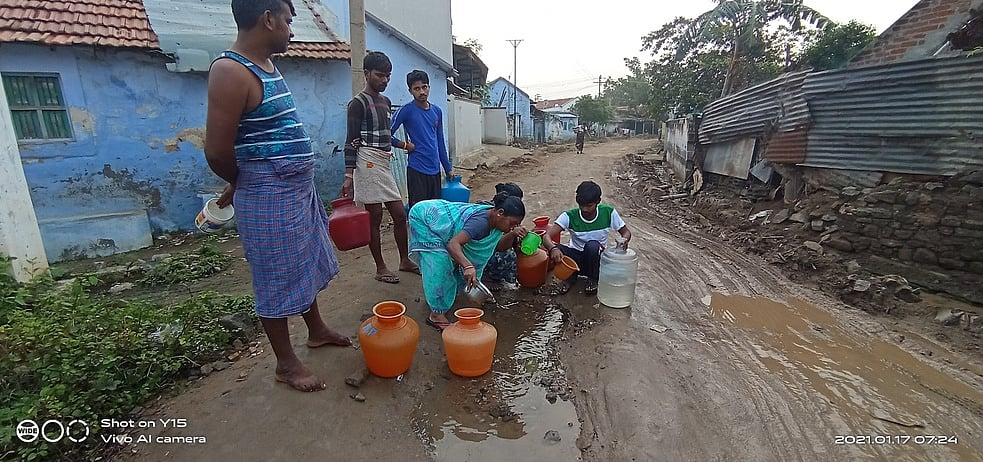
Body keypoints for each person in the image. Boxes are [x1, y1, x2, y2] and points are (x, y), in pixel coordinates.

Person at [204, 0, 351, 392]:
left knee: (305, 260)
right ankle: (286, 364)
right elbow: (216, 151)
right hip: (268, 192)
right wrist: (243, 182)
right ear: (267, 19)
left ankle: (316, 329)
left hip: (295, 189)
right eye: (288, 20)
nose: (291, 28)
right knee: (276, 276)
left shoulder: (266, 66)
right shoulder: (230, 72)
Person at [341, 51, 419, 284]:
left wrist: (403, 144)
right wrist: (348, 175)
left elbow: (387, 135)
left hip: (384, 161)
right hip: (367, 160)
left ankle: (404, 260)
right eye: (379, 75)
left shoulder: (385, 102)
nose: (384, 80)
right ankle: (380, 267)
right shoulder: (357, 103)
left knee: (398, 213)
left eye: (388, 76)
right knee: (374, 216)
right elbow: (351, 140)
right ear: (366, 74)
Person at [408, 192, 527, 330]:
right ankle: (436, 315)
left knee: (457, 258)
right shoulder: (480, 223)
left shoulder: (496, 222)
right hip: (425, 218)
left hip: (442, 221)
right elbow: (453, 244)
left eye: (517, 224)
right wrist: (468, 266)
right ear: (500, 213)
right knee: (439, 261)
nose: (514, 226)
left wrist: (512, 233)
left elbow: (498, 247)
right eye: (513, 223)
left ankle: (451, 292)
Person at [544, 180, 632, 295]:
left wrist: (624, 241)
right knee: (556, 248)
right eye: (582, 205)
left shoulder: (608, 213)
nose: (585, 209)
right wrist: (552, 248)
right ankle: (570, 277)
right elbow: (546, 236)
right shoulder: (569, 216)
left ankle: (592, 279)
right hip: (575, 259)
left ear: (598, 202)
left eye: (589, 206)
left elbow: (626, 232)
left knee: (592, 246)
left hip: (596, 259)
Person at [390, 70, 453, 208]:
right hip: (417, 170)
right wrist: (405, 145)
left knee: (435, 212)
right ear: (410, 91)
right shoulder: (406, 110)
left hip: (435, 170)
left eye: (424, 87)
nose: (421, 91)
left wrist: (448, 168)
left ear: (429, 87)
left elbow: (440, 142)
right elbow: (386, 135)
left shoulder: (437, 111)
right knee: (419, 213)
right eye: (416, 89)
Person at [480, 183, 524, 285]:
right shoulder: (489, 212)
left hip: (496, 246)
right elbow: (497, 245)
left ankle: (502, 277)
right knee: (507, 255)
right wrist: (512, 234)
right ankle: (488, 278)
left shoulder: (512, 213)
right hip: (482, 248)